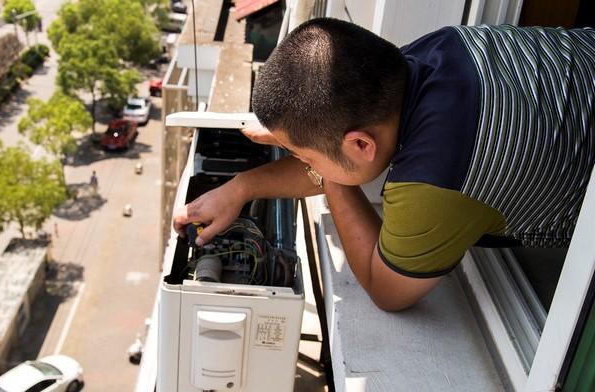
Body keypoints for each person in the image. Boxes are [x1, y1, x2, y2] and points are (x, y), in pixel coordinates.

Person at [173, 18, 595, 311]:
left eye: (304, 157)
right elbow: (344, 156)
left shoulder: (435, 184)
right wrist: (241, 187)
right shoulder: (440, 47)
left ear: (359, 143)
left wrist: (331, 177)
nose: (303, 164)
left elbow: (388, 290)